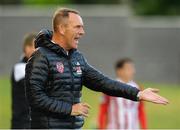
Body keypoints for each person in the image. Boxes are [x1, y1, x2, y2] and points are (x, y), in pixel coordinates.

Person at [25, 8, 168, 129]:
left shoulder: (77, 58)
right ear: (62, 28)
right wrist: (70, 109)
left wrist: (138, 94)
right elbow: (35, 97)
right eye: (78, 27)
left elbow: (102, 82)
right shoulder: (41, 56)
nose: (82, 32)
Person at [98, 58, 147, 129]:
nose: (133, 71)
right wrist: (101, 128)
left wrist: (144, 128)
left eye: (133, 68)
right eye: (129, 68)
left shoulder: (138, 88)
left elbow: (141, 111)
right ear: (119, 71)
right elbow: (103, 110)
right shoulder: (109, 87)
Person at [11, 33, 36, 129]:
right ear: (26, 48)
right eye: (31, 46)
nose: (34, 49)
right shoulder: (19, 67)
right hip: (22, 123)